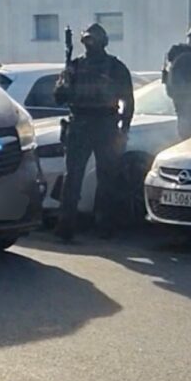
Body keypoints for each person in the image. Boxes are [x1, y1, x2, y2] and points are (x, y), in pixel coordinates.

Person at [53, 23, 134, 242]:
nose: (90, 45)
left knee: (105, 178)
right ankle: (67, 225)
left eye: (93, 41)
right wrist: (65, 80)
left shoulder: (116, 67)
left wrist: (123, 130)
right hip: (82, 124)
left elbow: (128, 101)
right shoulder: (75, 66)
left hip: (104, 125)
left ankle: (103, 225)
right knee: (74, 178)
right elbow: (59, 97)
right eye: (87, 41)